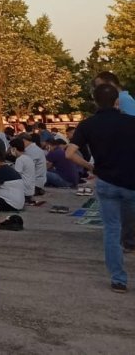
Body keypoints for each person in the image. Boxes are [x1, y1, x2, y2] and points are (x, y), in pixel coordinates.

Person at [67, 83, 135, 293]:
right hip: (132, 183)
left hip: (106, 183)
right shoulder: (131, 122)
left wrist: (90, 166)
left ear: (95, 101)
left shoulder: (88, 125)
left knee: (112, 232)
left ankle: (118, 280)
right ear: (117, 101)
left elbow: (69, 153)